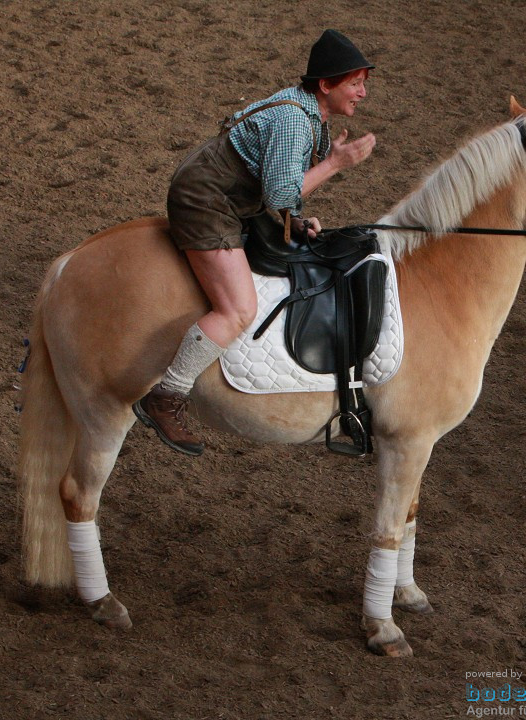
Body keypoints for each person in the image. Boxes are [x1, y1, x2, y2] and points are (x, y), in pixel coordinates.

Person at [133, 29, 377, 456]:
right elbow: (281, 194)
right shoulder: (294, 120)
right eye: (355, 83)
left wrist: (294, 222)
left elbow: (281, 195)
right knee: (238, 308)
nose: (362, 93)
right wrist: (337, 163)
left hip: (233, 198)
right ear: (326, 84)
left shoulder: (308, 113)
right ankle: (166, 396)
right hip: (208, 201)